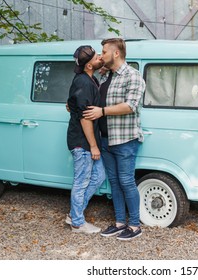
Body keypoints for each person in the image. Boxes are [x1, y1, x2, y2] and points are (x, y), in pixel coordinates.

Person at [83, 38, 146, 241]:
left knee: (127, 181)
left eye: (104, 52)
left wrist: (102, 111)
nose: (101, 56)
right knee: (115, 183)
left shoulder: (133, 76)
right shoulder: (105, 76)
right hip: (106, 139)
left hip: (125, 139)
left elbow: (130, 106)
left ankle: (135, 225)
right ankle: (120, 223)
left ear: (116, 53)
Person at [66, 45, 106, 234]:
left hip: (88, 141)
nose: (100, 58)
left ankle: (75, 213)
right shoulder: (84, 82)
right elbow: (84, 117)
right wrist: (93, 146)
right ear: (89, 65)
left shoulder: (90, 78)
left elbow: (74, 103)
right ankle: (77, 223)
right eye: (97, 57)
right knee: (82, 181)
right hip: (82, 141)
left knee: (99, 177)